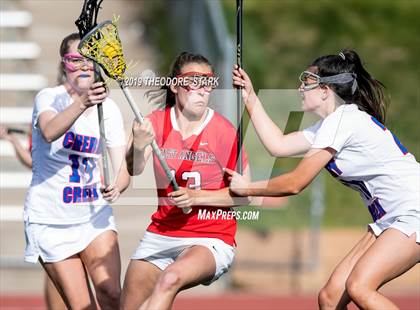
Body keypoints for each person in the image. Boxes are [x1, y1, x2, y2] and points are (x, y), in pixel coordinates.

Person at [227, 49, 420, 310]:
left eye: (306, 82)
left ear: (326, 90)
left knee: (360, 287)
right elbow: (278, 145)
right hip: (391, 218)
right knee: (330, 298)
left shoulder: (341, 121)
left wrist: (247, 188)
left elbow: (295, 183)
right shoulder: (333, 123)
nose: (299, 88)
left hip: (413, 212)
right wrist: (250, 97)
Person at [121, 52, 250, 310]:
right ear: (175, 85)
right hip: (163, 231)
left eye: (208, 82)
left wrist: (197, 197)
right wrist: (138, 145)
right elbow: (134, 169)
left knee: (170, 279)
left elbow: (245, 195)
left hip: (211, 236)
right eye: (194, 80)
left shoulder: (223, 131)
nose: (202, 89)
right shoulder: (155, 123)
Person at [23, 32, 130, 309]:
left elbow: (122, 171)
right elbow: (48, 131)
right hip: (50, 220)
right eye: (75, 60)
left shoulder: (109, 109)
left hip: (94, 218)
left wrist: (117, 185)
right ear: (63, 64)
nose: (83, 66)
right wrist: (83, 102)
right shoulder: (48, 98)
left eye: (89, 60)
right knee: (82, 306)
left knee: (111, 293)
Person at [0, 124, 66, 309]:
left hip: (68, 207)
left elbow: (32, 162)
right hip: (55, 206)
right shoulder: (43, 118)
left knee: (60, 268)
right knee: (56, 267)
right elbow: (33, 161)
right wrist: (13, 139)